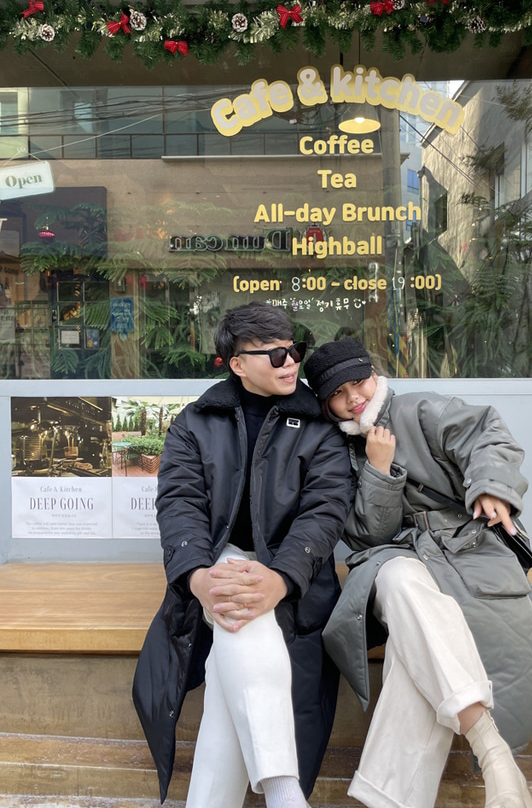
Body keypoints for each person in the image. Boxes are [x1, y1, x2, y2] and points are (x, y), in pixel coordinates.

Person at [304, 338, 532, 808]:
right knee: (399, 578)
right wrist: (379, 471)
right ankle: (492, 750)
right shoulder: (331, 449)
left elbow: (486, 435)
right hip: (391, 557)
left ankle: (390, 799)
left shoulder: (419, 410)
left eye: (359, 383)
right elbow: (367, 537)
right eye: (337, 394)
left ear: (374, 376)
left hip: (465, 549)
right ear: (325, 403)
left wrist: (489, 487)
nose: (353, 398)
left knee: (411, 649)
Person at [132, 302, 352, 808]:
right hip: (217, 559)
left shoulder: (319, 425)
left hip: (291, 570)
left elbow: (325, 511)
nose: (290, 362)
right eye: (274, 354)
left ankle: (269, 793)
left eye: (294, 349)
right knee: (234, 592)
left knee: (236, 627)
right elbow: (179, 503)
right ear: (238, 364)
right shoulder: (195, 422)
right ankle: (283, 791)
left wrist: (281, 578)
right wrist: (196, 577)